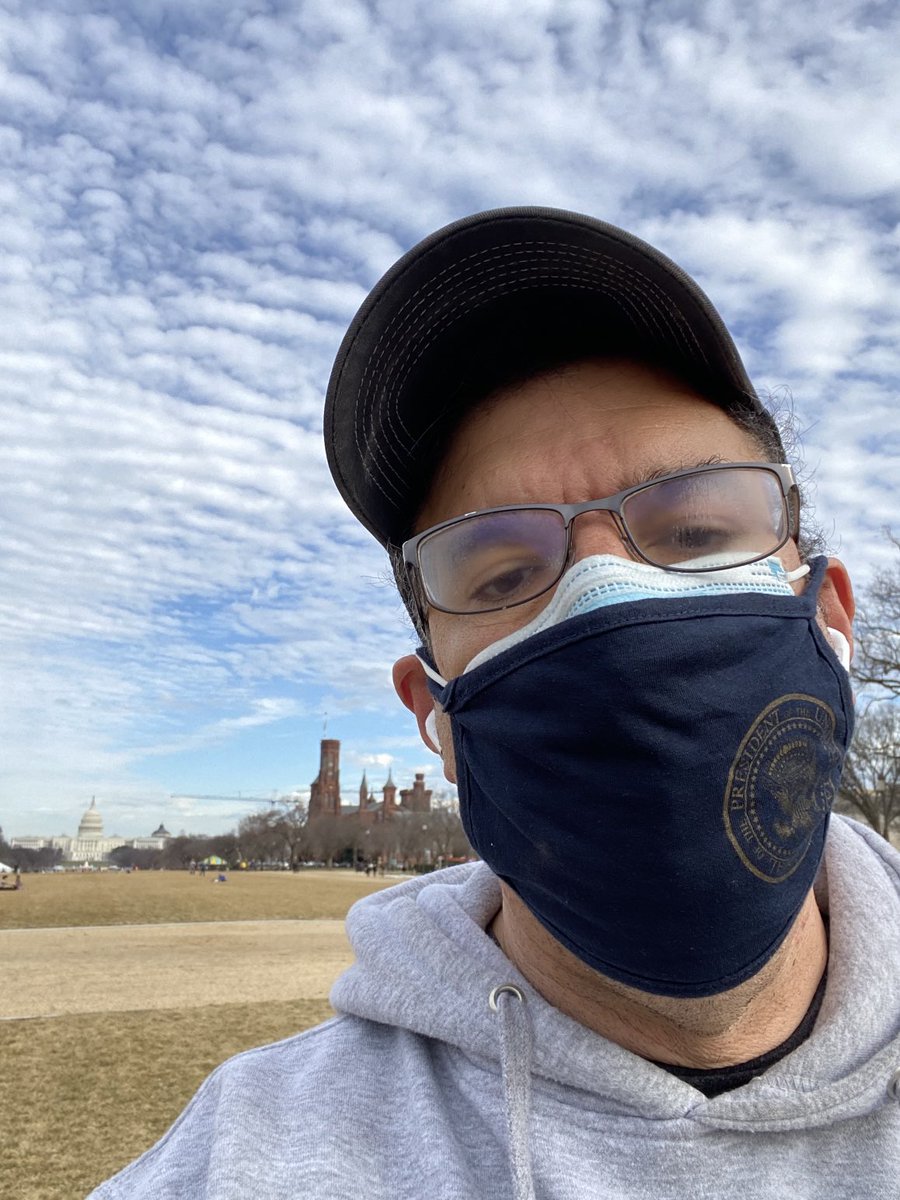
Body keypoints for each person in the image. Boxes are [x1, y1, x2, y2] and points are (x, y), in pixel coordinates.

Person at [91, 208, 900, 1199]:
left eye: (694, 530)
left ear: (831, 617)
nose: (606, 592)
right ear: (433, 714)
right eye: (503, 571)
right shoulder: (241, 1161)